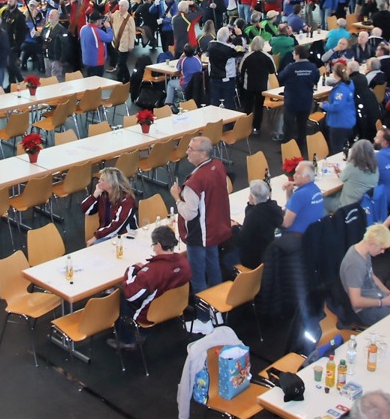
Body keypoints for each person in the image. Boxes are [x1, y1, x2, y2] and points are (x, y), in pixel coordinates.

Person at [169, 137, 231, 322]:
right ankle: (218, 310)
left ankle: (203, 318)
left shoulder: (194, 183)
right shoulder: (218, 166)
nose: (186, 151)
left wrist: (177, 197)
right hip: (214, 228)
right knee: (214, 268)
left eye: (191, 149)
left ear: (203, 153)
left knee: (197, 277)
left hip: (198, 235)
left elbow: (189, 213)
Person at [112, 226, 190, 349]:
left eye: (153, 245)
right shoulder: (184, 262)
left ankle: (127, 339)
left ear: (158, 245)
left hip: (150, 313)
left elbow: (130, 295)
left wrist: (131, 270)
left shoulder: (151, 273)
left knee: (120, 294)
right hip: (175, 306)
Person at [339, 223, 390, 326]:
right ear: (372, 243)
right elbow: (356, 301)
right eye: (381, 248)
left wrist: (388, 292)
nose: (382, 252)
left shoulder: (365, 252)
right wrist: (382, 302)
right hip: (365, 310)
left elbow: (372, 276)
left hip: (378, 298)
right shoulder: (354, 264)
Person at [277, 47, 320, 154]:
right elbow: (317, 78)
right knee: (302, 125)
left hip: (292, 100)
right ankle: (301, 147)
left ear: (297, 55)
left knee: (288, 125)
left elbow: (281, 77)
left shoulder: (291, 67)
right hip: (306, 100)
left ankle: (287, 148)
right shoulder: (313, 67)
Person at [233, 180, 283, 270]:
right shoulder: (274, 208)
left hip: (255, 258)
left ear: (252, 197)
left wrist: (234, 228)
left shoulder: (253, 216)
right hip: (271, 251)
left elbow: (240, 240)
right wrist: (251, 204)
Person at [82, 167, 138, 245]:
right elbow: (85, 210)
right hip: (106, 234)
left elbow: (117, 225)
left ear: (112, 183)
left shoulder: (127, 200)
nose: (99, 181)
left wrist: (96, 237)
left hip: (125, 235)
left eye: (102, 180)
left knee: (96, 247)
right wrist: (95, 194)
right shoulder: (103, 195)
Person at [328, 139, 379, 212]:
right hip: (365, 205)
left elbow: (342, 178)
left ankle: (330, 222)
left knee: (323, 201)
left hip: (347, 206)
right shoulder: (375, 167)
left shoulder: (353, 166)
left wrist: (340, 173)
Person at [239, 36, 276, 134]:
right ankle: (256, 127)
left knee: (248, 107)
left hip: (249, 85)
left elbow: (241, 70)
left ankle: (245, 126)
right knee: (259, 107)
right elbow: (273, 70)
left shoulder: (247, 56)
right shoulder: (267, 57)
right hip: (262, 85)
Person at [321, 64, 358, 154]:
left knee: (337, 149)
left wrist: (324, 106)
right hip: (349, 119)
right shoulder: (349, 84)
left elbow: (337, 107)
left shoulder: (340, 89)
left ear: (335, 74)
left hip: (339, 123)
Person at [281, 161, 325, 235]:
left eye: (298, 173)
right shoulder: (316, 189)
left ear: (307, 178)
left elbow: (286, 223)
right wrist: (289, 191)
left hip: (298, 237)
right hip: (315, 234)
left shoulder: (299, 195)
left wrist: (272, 218)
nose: (294, 175)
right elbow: (292, 207)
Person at [79, 11, 114, 77]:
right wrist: (108, 28)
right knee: (98, 82)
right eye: (101, 20)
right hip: (97, 62)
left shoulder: (83, 28)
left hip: (86, 60)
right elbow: (109, 38)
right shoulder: (97, 31)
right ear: (97, 21)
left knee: (89, 80)